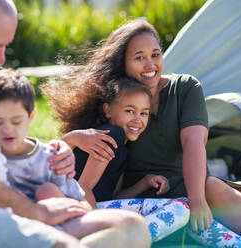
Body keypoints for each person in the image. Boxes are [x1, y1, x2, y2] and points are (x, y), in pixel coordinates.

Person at [58, 17, 241, 247]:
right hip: (157, 194)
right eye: (139, 57)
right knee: (211, 191)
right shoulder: (116, 109)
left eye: (155, 54)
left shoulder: (185, 87)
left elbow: (194, 142)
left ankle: (218, 222)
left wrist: (197, 199)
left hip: (190, 183)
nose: (150, 64)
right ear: (122, 63)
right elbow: (78, 172)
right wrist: (75, 138)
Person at [0, 1, 151, 247]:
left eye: (4, 47)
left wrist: (56, 146)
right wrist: (35, 212)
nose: (0, 58)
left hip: (7, 206)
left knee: (132, 228)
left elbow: (0, 137)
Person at [42, 75, 190, 241]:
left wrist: (145, 182)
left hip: (98, 208)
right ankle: (117, 241)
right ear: (108, 110)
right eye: (129, 111)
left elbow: (115, 198)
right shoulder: (111, 135)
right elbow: (83, 188)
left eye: (144, 113)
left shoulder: (123, 148)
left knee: (184, 206)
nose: (137, 119)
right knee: (179, 208)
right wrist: (98, 229)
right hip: (82, 211)